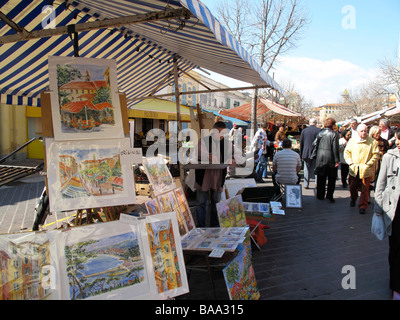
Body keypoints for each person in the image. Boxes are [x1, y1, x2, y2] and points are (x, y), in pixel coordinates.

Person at [373, 128, 400, 295]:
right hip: (395, 210)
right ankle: (396, 286)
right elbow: (380, 184)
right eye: (397, 139)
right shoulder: (390, 157)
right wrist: (377, 210)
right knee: (396, 249)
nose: (398, 142)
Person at [194, 121, 234, 227]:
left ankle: (214, 226)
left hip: (218, 177)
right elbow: (197, 152)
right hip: (203, 177)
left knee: (216, 203)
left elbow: (233, 155)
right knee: (201, 203)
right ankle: (201, 227)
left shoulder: (227, 143)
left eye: (223, 133)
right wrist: (208, 156)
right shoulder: (203, 141)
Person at [344, 123, 380, 214]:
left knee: (365, 189)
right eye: (362, 131)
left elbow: (376, 154)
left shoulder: (372, 141)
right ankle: (353, 198)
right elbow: (347, 152)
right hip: (354, 168)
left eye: (365, 131)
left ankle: (363, 206)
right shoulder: (352, 141)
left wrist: (369, 164)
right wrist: (350, 163)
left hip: (365, 169)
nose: (364, 133)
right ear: (358, 132)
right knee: (353, 186)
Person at [312, 118, 340, 203]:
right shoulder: (334, 134)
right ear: (333, 125)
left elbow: (314, 144)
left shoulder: (320, 133)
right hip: (330, 158)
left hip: (320, 158)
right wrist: (337, 160)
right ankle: (329, 195)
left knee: (321, 178)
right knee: (331, 178)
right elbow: (335, 148)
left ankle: (320, 195)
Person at [300, 118, 321, 188]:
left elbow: (301, 143)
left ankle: (306, 184)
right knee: (316, 168)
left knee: (306, 168)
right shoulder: (319, 130)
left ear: (309, 123)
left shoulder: (304, 131)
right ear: (315, 123)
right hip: (316, 152)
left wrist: (301, 152)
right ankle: (317, 183)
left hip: (306, 151)